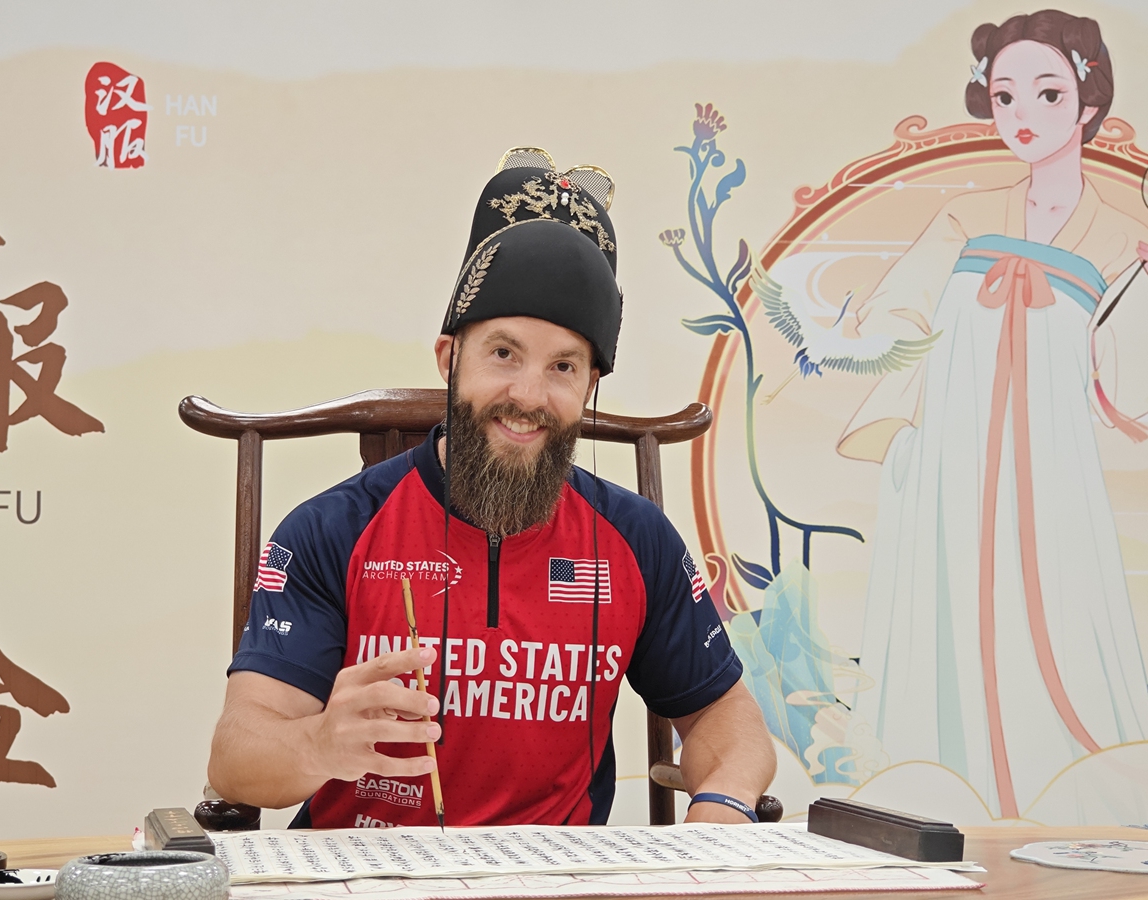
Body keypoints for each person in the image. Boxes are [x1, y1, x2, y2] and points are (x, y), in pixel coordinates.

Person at [207, 150, 776, 828]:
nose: (529, 396)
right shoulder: (334, 530)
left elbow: (725, 716)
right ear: (451, 358)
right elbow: (235, 757)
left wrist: (720, 806)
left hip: (554, 878)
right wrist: (317, 741)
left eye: (563, 366)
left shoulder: (637, 539)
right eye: (503, 354)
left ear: (590, 385)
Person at [839, 10, 1148, 821]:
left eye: (1048, 92)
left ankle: (1074, 789)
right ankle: (953, 789)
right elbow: (895, 312)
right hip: (950, 448)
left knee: (1057, 600)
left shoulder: (1124, 236)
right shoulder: (966, 215)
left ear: (1087, 103)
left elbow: (1126, 390)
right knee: (951, 602)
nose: (1023, 114)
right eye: (1005, 94)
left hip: (1055, 459)